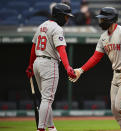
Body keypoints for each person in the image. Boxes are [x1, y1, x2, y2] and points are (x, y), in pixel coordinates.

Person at [25, 3, 76, 131]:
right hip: (49, 63)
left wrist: (30, 65)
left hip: (37, 62)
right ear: (59, 16)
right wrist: (68, 67)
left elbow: (33, 48)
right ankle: (41, 129)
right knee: (47, 99)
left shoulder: (41, 26)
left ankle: (51, 127)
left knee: (45, 98)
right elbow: (61, 49)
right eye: (65, 16)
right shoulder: (57, 28)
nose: (67, 19)